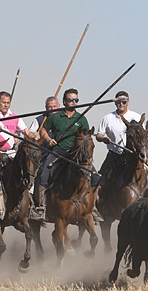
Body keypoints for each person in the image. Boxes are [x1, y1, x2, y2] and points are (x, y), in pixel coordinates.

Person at [35, 88, 102, 222]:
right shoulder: (55, 117)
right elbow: (43, 129)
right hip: (58, 151)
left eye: (76, 100)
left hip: (76, 154)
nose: (74, 102)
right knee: (43, 174)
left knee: (95, 177)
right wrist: (48, 139)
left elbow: (86, 136)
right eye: (71, 100)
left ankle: (92, 208)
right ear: (65, 102)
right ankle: (41, 207)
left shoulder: (81, 119)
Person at [95, 91, 141, 180]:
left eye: (124, 102)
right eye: (118, 102)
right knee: (100, 179)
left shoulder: (136, 117)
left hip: (132, 155)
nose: (121, 104)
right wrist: (104, 139)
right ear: (115, 103)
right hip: (114, 154)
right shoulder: (107, 118)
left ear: (128, 102)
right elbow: (99, 135)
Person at [0, 91, 35, 158]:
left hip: (10, 153)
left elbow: (26, 132)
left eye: (8, 103)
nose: (6, 105)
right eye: (3, 103)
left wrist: (33, 135)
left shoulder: (15, 117)